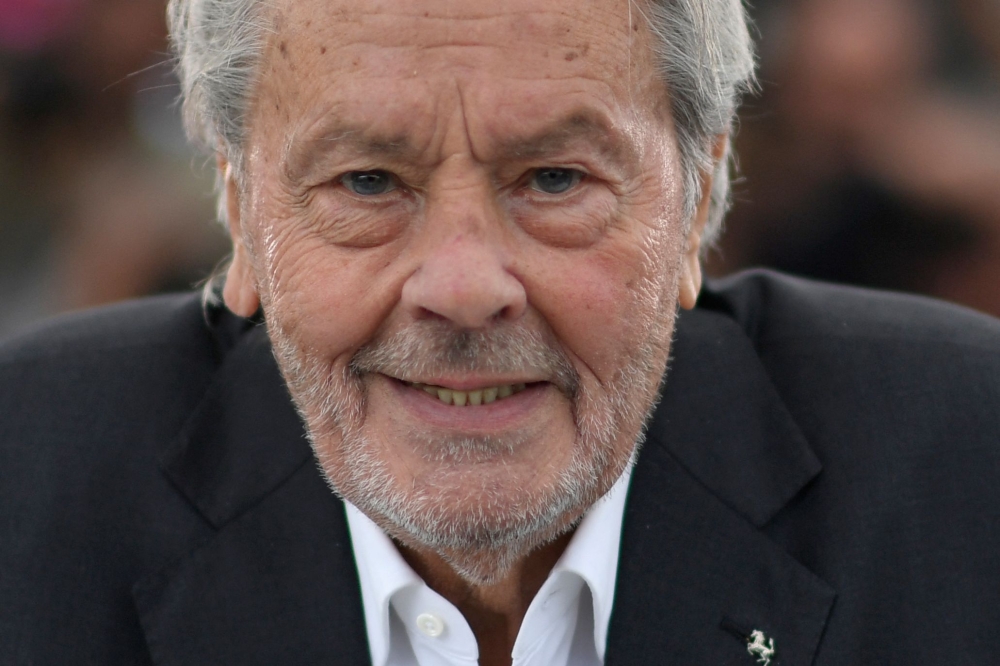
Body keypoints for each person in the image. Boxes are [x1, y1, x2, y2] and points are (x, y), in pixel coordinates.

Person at [1, 0, 998, 664]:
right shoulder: (26, 477)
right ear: (241, 212)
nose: (464, 287)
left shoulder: (965, 461)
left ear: (698, 204)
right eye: (367, 182)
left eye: (555, 179)